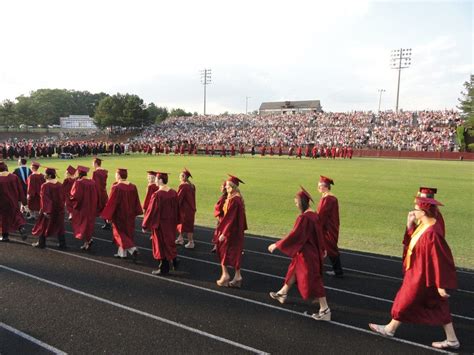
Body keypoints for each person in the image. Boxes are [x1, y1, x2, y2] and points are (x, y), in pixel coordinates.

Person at [369, 197, 460, 350]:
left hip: (423, 275)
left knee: (406, 299)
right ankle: (452, 340)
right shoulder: (426, 225)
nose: (413, 211)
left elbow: (440, 259)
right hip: (418, 270)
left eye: (416, 209)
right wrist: (409, 225)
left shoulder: (432, 233)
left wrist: (441, 284)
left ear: (423, 212)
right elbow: (414, 244)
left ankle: (390, 329)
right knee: (437, 305)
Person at [268, 187, 330, 321]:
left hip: (308, 254)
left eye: (296, 202)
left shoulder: (304, 218)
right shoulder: (314, 215)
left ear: (302, 202)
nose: (295, 204)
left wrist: (277, 244)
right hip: (307, 252)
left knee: (314, 280)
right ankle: (282, 293)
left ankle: (325, 310)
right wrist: (323, 248)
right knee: (293, 270)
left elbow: (294, 235)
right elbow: (320, 234)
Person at [142, 172, 180, 275]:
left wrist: (145, 225)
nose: (154, 181)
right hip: (171, 223)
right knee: (170, 242)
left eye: (156, 179)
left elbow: (151, 211)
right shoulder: (173, 192)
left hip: (160, 224)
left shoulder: (157, 195)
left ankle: (163, 268)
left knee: (160, 245)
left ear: (160, 180)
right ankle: (174, 259)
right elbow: (177, 208)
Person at [101, 168, 143, 260]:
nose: (115, 176)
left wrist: (108, 215)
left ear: (119, 175)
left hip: (119, 215)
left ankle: (132, 249)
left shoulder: (117, 187)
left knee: (119, 233)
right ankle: (122, 254)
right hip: (130, 214)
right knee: (127, 233)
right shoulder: (133, 186)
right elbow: (137, 201)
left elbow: (112, 203)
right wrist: (136, 211)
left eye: (116, 174)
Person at [215, 174, 247, 288]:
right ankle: (237, 277)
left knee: (223, 251)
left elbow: (231, 218)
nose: (226, 187)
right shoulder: (233, 197)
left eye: (228, 185)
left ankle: (225, 276)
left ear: (233, 186)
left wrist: (223, 233)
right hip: (235, 231)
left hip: (231, 232)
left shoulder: (235, 200)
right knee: (235, 253)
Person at [31, 167, 66, 249]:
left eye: (46, 174)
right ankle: (62, 244)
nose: (44, 175)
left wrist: (46, 211)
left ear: (49, 175)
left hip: (48, 209)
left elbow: (45, 199)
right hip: (59, 209)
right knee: (60, 226)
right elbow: (62, 197)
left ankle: (41, 243)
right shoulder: (60, 184)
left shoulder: (45, 186)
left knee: (43, 225)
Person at [316, 175, 343, 277]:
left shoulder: (328, 199)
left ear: (326, 187)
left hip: (327, 228)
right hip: (330, 226)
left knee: (330, 248)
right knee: (327, 247)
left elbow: (321, 215)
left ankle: (338, 271)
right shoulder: (330, 197)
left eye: (320, 186)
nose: (318, 188)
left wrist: (314, 220)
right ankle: (336, 270)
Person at [70, 165, 98, 251]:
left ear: (79, 173)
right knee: (89, 225)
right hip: (91, 207)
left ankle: (88, 240)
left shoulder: (79, 182)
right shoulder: (92, 182)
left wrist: (72, 203)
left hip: (82, 208)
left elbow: (74, 196)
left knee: (81, 225)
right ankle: (87, 241)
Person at [0, 161, 27, 242]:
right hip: (14, 201)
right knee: (16, 215)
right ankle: (21, 228)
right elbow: (20, 190)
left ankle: (5, 236)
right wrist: (24, 201)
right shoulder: (14, 177)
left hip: (2, 202)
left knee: (3, 219)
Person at [175, 168, 197, 249]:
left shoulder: (183, 186)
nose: (179, 177)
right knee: (184, 225)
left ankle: (191, 242)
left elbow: (179, 198)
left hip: (185, 209)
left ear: (184, 177)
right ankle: (180, 239)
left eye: (180, 175)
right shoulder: (192, 186)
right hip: (191, 209)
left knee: (186, 225)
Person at [92, 157, 109, 229]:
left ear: (95, 163)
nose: (92, 164)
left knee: (92, 208)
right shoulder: (105, 171)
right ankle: (107, 223)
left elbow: (94, 183)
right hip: (104, 192)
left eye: (93, 163)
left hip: (97, 192)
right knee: (105, 208)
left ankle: (88, 225)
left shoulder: (95, 173)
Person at [211, 181, 227, 253]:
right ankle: (217, 246)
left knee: (220, 231)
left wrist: (216, 211)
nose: (221, 188)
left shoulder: (224, 198)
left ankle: (217, 247)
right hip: (225, 217)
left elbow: (219, 207)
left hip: (222, 217)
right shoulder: (228, 196)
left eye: (222, 187)